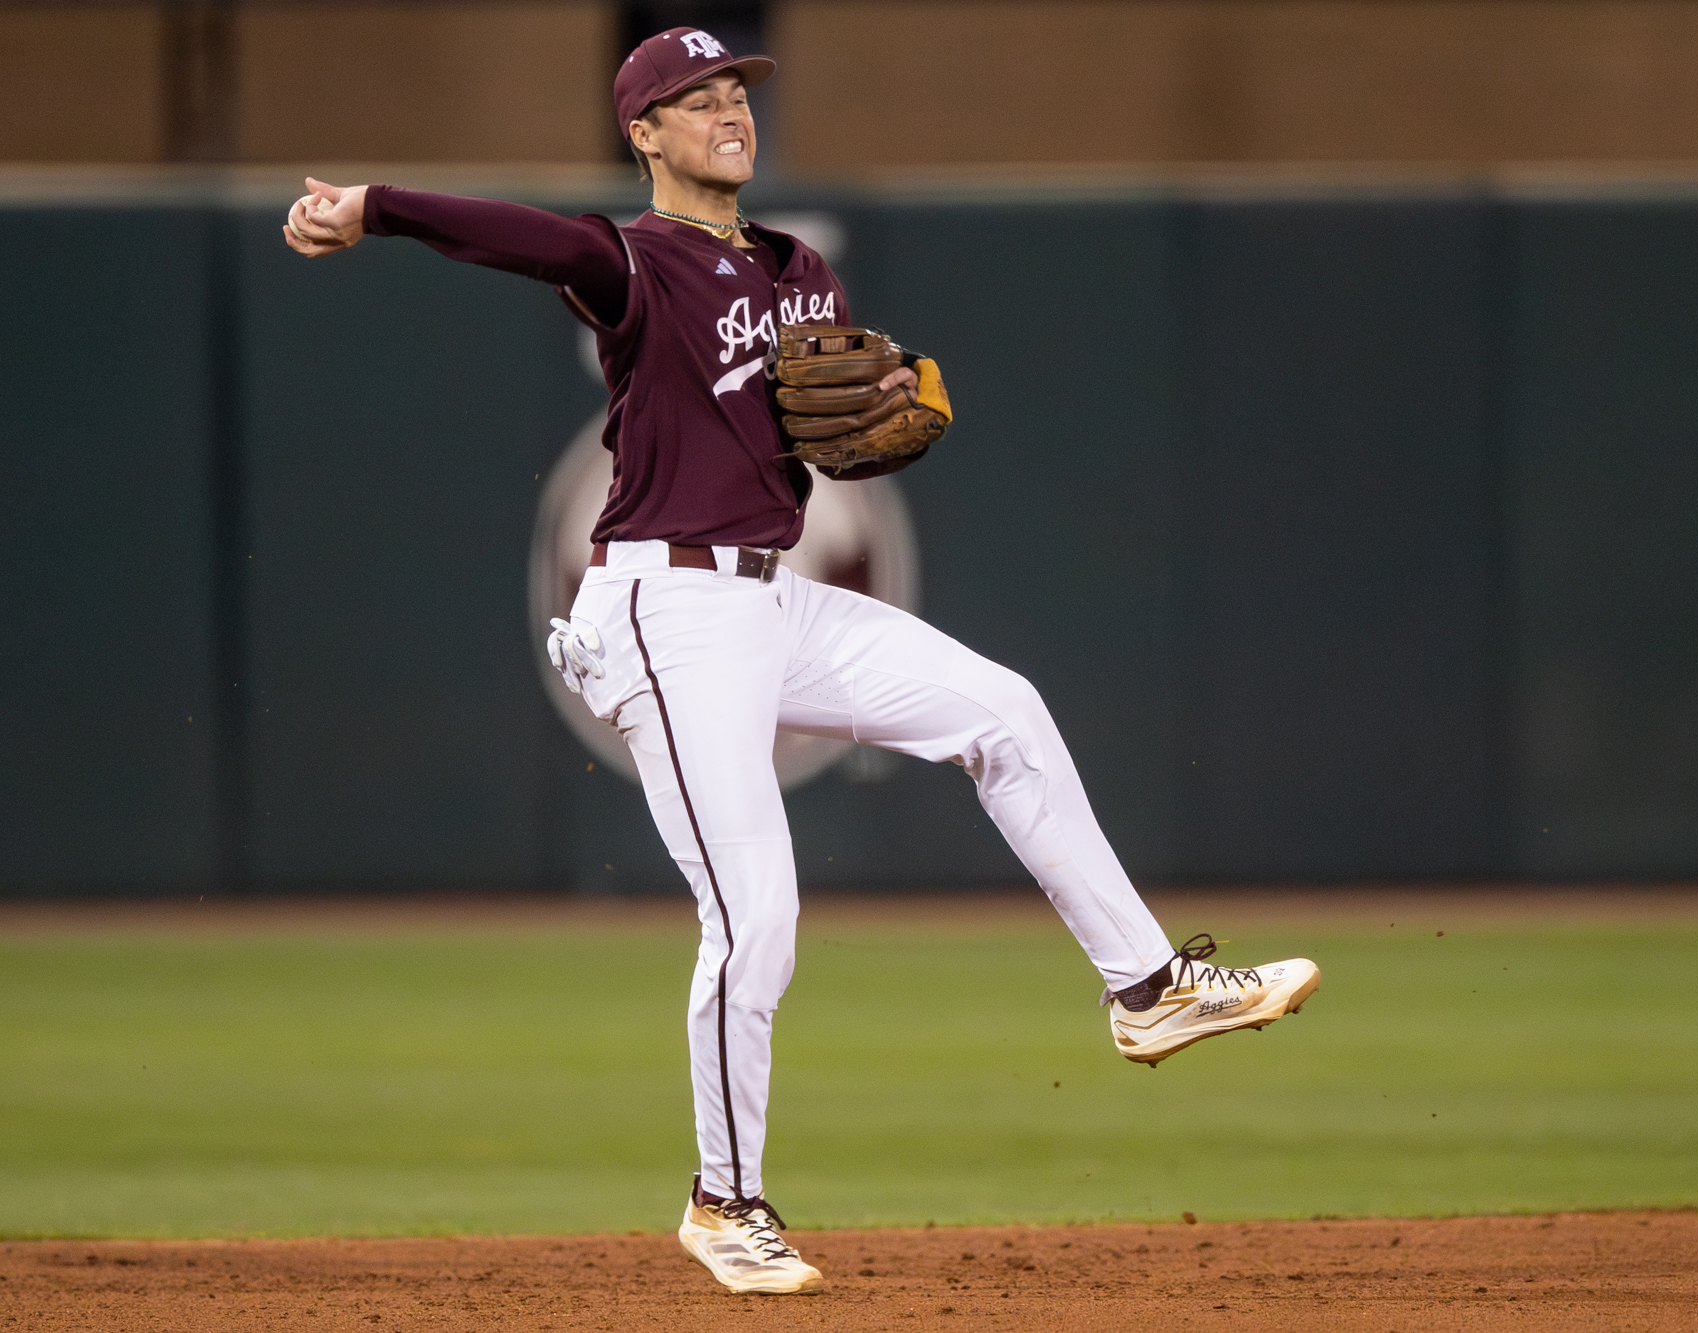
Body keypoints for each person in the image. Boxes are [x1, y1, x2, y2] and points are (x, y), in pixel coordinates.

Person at [283, 26, 1320, 1297]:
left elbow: (817, 441)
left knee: (1003, 707)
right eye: (693, 99)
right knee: (755, 916)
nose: (727, 111)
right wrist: (372, 208)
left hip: (780, 599)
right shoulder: (630, 263)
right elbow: (522, 235)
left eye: (736, 93)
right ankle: (726, 1205)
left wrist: (866, 429)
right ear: (645, 135)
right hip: (664, 607)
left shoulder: (799, 268)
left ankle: (1147, 988)